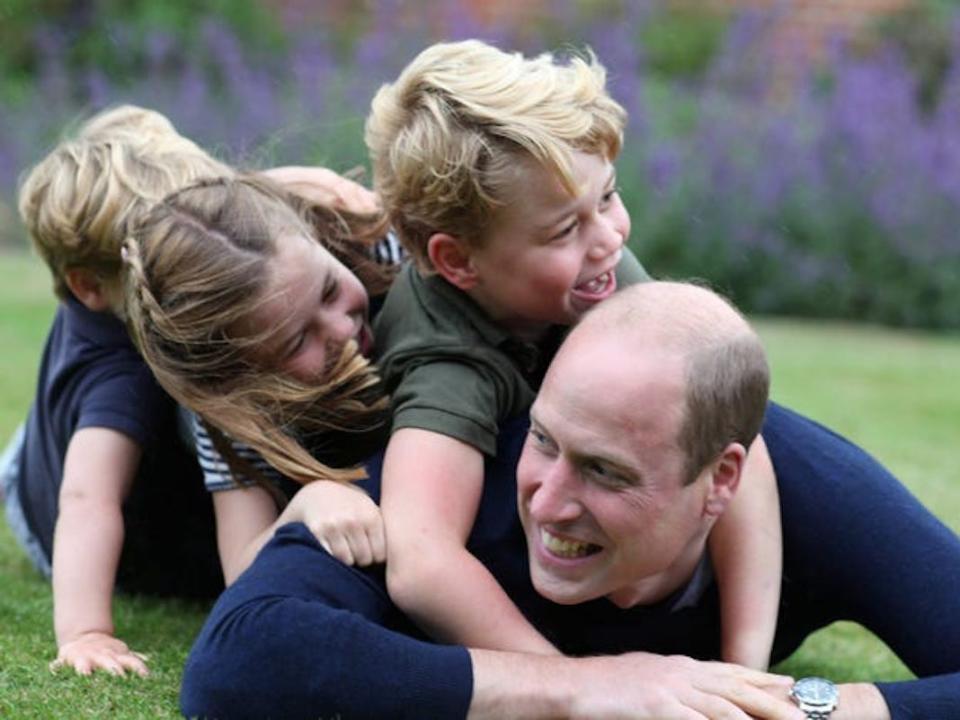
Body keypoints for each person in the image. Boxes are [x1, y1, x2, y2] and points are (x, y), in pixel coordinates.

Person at [179, 281, 959, 719]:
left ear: (722, 480)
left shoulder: (817, 492)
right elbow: (238, 661)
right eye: (546, 441)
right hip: (175, 486)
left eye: (606, 473)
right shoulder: (460, 473)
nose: (548, 502)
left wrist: (808, 710)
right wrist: (589, 690)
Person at [365, 39, 782, 667]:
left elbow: (740, 444)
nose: (609, 236)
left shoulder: (594, 263)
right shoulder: (445, 358)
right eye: (565, 229)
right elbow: (421, 563)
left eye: (609, 196)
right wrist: (576, 689)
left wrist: (745, 670)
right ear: (458, 261)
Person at [0, 105, 232, 679]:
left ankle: (35, 443)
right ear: (91, 285)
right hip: (47, 515)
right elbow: (86, 503)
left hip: (42, 448)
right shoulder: (122, 373)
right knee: (94, 439)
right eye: (171, 260)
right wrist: (86, 632)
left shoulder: (109, 290)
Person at [122, 173, 401, 584]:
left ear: (314, 236)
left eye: (327, 290)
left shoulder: (384, 249)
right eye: (297, 341)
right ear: (241, 377)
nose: (341, 329)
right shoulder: (232, 413)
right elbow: (240, 568)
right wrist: (306, 503)